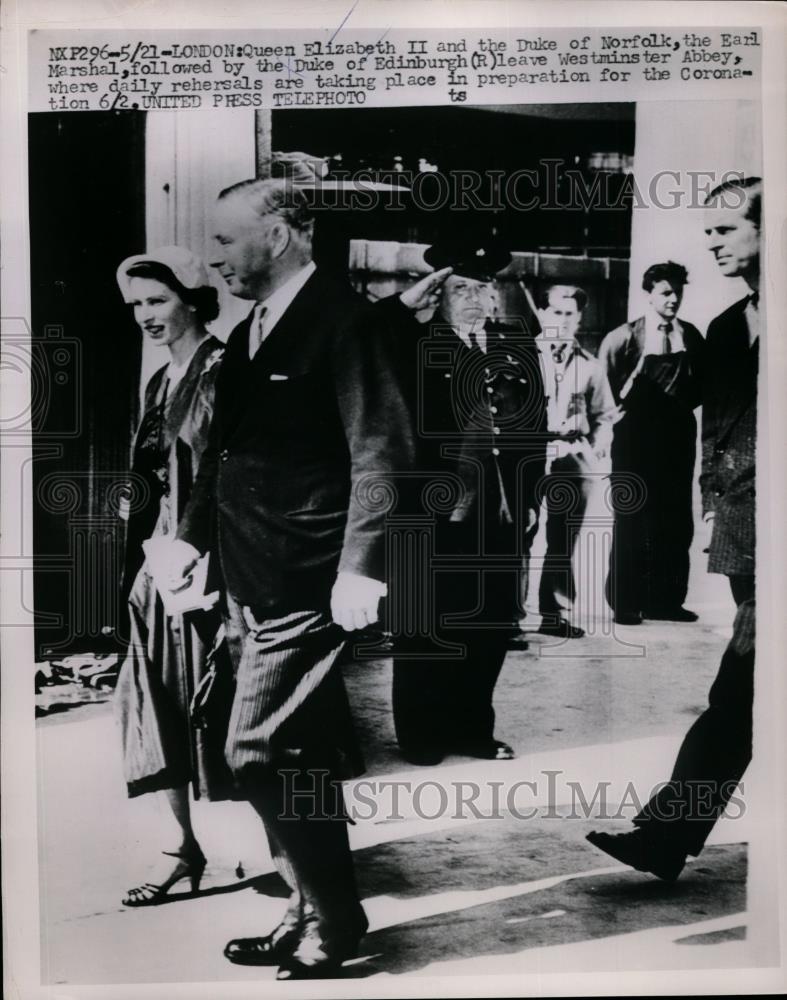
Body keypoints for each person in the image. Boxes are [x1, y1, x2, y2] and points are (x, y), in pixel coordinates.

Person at [168, 179, 415, 979]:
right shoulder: (250, 334)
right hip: (248, 573)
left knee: (255, 750)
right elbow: (224, 456)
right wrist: (191, 545)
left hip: (309, 576)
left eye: (225, 241)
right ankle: (309, 910)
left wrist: (361, 569)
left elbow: (382, 451)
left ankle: (335, 922)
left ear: (276, 237)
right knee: (298, 755)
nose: (215, 257)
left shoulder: (349, 323)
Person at [586, 176, 761, 880]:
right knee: (743, 690)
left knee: (741, 690)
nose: (710, 241)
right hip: (754, 539)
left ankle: (666, 833)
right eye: (707, 229)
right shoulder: (723, 328)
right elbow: (713, 419)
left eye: (725, 228)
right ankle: (666, 834)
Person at [378, 239, 547, 766]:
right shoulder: (412, 346)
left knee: (489, 624)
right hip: (430, 512)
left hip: (497, 511)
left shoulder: (513, 346)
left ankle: (472, 729)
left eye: (483, 287)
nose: (475, 298)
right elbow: (368, 342)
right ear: (437, 295)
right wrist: (405, 308)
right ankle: (422, 734)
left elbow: (530, 428)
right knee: (424, 624)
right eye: (461, 288)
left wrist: (529, 495)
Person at [114, 246, 232, 906]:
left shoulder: (223, 369)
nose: (144, 315)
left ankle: (299, 868)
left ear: (192, 297)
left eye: (156, 300)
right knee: (150, 710)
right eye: (135, 305)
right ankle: (179, 850)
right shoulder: (160, 379)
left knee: (227, 714)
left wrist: (198, 548)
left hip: (212, 569)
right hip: (157, 572)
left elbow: (229, 474)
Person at [599, 261, 705, 625]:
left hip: (676, 439)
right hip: (634, 439)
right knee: (632, 517)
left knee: (675, 519)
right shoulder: (623, 337)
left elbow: (702, 386)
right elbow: (604, 391)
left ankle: (666, 600)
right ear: (649, 295)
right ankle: (626, 602)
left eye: (678, 292)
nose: (673, 299)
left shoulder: (690, 336)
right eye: (665, 292)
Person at [533, 284, 616, 637]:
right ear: (542, 313)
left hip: (573, 456)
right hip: (531, 454)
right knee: (519, 534)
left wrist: (598, 444)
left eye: (570, 314)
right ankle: (506, 617)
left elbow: (605, 415)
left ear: (579, 319)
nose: (563, 321)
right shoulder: (522, 356)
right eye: (556, 312)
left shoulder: (591, 366)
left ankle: (554, 613)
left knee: (562, 537)